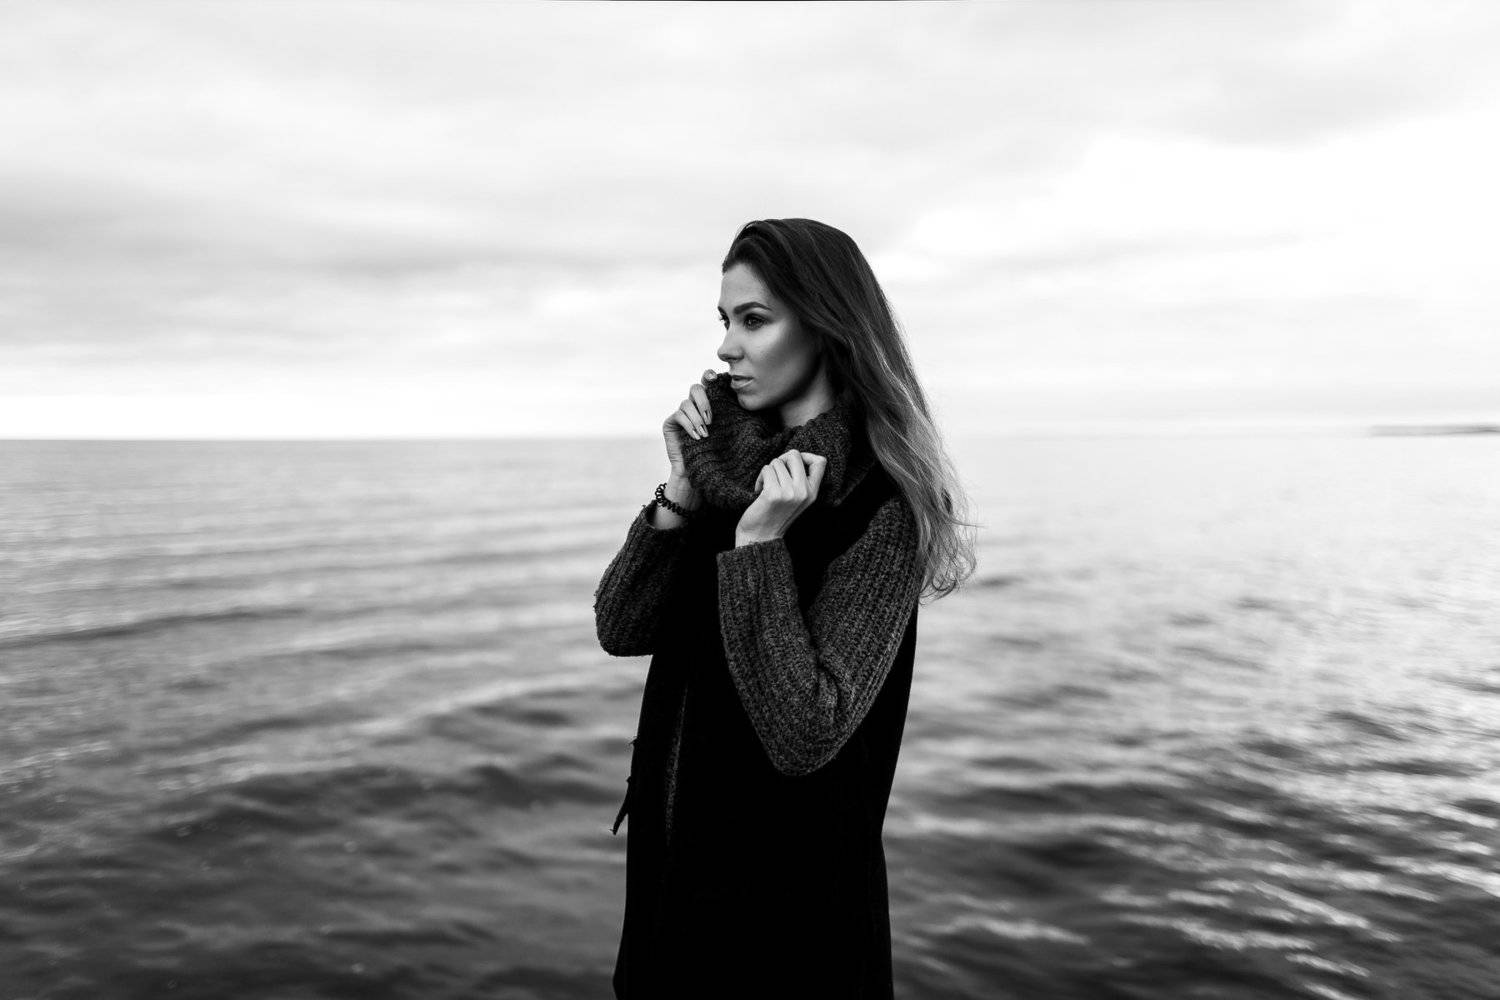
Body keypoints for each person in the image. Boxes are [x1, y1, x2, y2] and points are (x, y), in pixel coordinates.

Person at [594, 218, 976, 999]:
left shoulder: (883, 505)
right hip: (670, 887)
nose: (728, 346)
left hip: (790, 926)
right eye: (726, 321)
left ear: (828, 326)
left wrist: (760, 546)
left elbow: (807, 730)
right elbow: (621, 626)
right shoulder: (724, 470)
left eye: (755, 320)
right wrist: (677, 496)